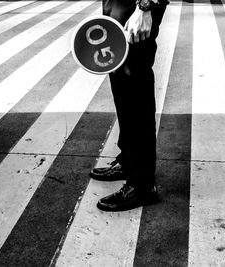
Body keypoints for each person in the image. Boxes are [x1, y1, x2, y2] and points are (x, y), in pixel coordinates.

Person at [90, 0, 169, 211]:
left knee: (135, 90)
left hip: (136, 6)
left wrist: (146, 7)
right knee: (120, 80)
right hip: (119, 5)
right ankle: (128, 161)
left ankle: (142, 185)